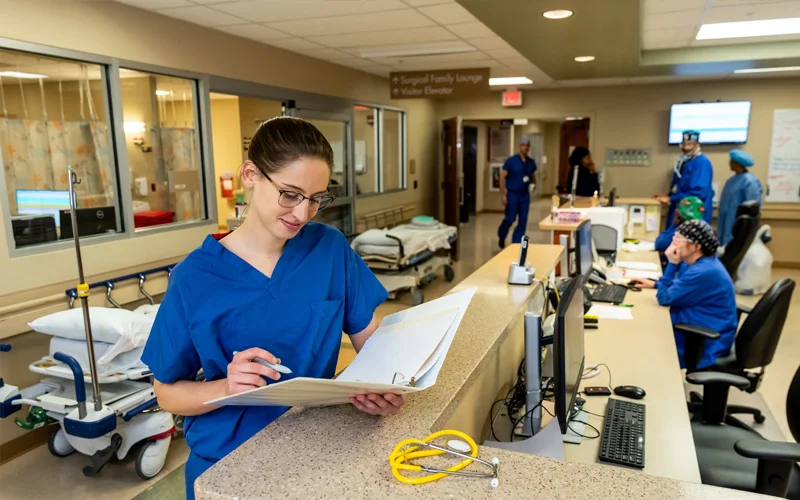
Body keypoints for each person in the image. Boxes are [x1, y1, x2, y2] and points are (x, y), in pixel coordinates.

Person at [141, 117, 403, 499]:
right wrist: (227, 386)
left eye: (316, 199)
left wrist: (383, 386)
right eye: (290, 194)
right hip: (228, 465)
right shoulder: (195, 277)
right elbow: (166, 392)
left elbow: (372, 342)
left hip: (317, 450)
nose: (302, 213)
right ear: (250, 174)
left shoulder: (328, 249)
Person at [630, 220, 737, 370]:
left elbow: (665, 298)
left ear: (696, 246)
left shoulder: (703, 272)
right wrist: (655, 284)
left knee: (642, 337)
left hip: (704, 340)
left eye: (679, 239)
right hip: (701, 326)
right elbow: (680, 287)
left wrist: (672, 263)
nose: (673, 243)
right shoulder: (697, 263)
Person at [656, 130, 714, 228]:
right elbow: (680, 185)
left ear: (698, 145)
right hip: (681, 210)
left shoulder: (701, 163)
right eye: (683, 144)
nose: (685, 148)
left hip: (693, 212)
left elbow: (698, 192)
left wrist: (671, 198)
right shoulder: (687, 162)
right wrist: (668, 196)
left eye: (689, 144)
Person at [717, 148, 762, 246]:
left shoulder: (750, 182)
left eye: (731, 161)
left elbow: (752, 208)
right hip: (725, 224)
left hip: (738, 226)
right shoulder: (731, 181)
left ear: (738, 164)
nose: (729, 163)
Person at [498, 137, 537, 248]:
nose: (525, 147)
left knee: (523, 221)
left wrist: (534, 185)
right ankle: (502, 235)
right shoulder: (511, 161)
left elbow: (532, 176)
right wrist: (503, 194)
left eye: (527, 145)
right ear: (520, 146)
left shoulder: (531, 162)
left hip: (524, 196)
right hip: (512, 194)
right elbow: (502, 177)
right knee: (510, 218)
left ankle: (515, 244)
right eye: (523, 145)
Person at [655, 196, 705, 268]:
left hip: (680, 268)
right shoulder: (701, 223)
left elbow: (660, 244)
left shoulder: (687, 227)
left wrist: (674, 224)